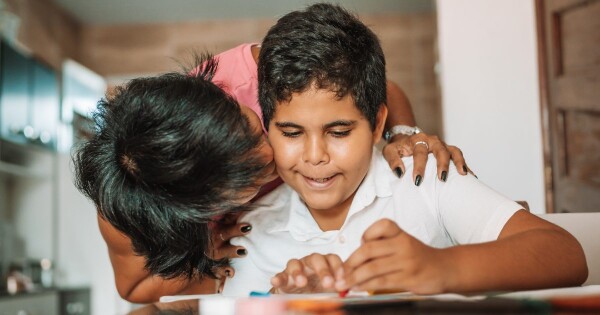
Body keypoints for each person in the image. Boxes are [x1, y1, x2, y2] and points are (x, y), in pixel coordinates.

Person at [74, 10, 469, 305]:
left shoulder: (252, 75)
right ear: (195, 209)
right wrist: (206, 259)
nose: (269, 153)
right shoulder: (128, 212)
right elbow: (135, 289)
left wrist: (402, 134)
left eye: (250, 127)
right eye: (247, 175)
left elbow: (375, 88)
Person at [221, 3, 587, 296]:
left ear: (379, 124)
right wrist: (296, 304)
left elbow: (565, 254)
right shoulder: (248, 229)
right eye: (291, 132)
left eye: (339, 131)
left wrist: (441, 267)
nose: (315, 156)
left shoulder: (423, 179)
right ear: (268, 128)